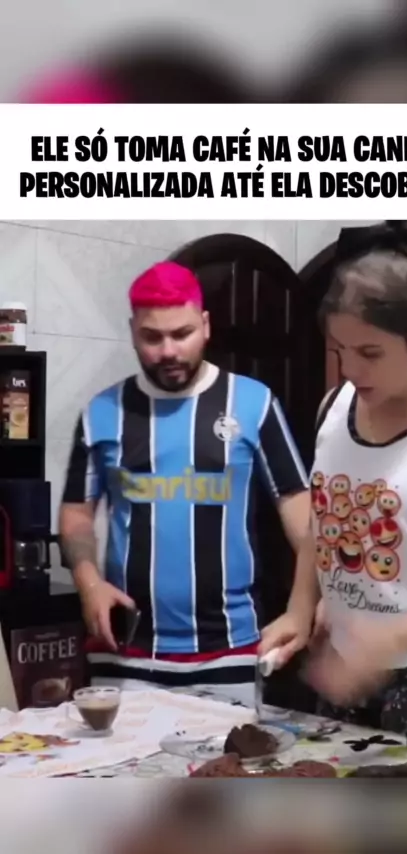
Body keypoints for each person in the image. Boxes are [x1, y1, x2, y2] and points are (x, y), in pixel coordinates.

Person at [260, 221, 407, 747]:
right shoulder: (334, 407)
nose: (350, 369)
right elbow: (324, 517)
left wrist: (391, 641)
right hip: (343, 669)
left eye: (371, 352)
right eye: (340, 350)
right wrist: (299, 607)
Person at [59, 260, 310, 705]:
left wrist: (308, 605)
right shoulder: (102, 412)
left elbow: (300, 511)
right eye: (152, 337)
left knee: (230, 754)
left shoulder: (253, 403)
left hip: (231, 650)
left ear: (206, 326)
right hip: (125, 651)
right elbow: (77, 513)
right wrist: (88, 583)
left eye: (182, 334)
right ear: (133, 331)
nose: (168, 351)